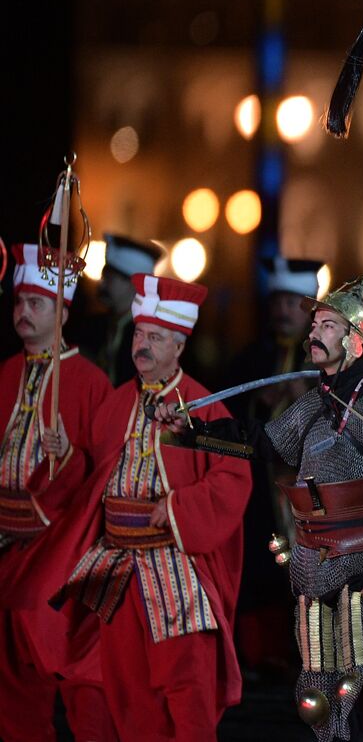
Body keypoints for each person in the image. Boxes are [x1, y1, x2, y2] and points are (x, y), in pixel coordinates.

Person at [165, 274, 363, 741]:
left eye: (328, 326)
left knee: (362, 672)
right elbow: (260, 443)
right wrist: (192, 433)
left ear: (356, 340)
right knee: (318, 679)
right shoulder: (313, 405)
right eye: (314, 325)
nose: (313, 334)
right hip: (316, 555)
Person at [48, 274, 251, 741]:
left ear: (179, 346)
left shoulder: (209, 408)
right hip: (117, 564)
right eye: (139, 334)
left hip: (174, 566)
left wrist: (177, 506)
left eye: (155, 337)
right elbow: (92, 477)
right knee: (128, 692)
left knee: (188, 691)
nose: (141, 345)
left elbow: (234, 479)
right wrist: (66, 456)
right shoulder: (116, 403)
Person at [0, 243, 114, 741]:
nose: (23, 313)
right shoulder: (5, 372)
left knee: (53, 650)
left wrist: (69, 456)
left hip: (59, 544)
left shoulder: (90, 382)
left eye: (37, 304)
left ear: (63, 312)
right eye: (19, 302)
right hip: (5, 540)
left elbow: (107, 469)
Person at [223, 254, 322, 678]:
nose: (283, 311)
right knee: (259, 563)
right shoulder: (252, 358)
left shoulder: (327, 361)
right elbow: (226, 415)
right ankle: (260, 654)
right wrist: (256, 404)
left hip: (310, 486)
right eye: (278, 302)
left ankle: (311, 657)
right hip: (261, 485)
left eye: (293, 303)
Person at [90, 234, 161, 386]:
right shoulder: (94, 326)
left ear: (132, 284)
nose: (102, 285)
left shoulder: (152, 337)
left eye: (110, 278)